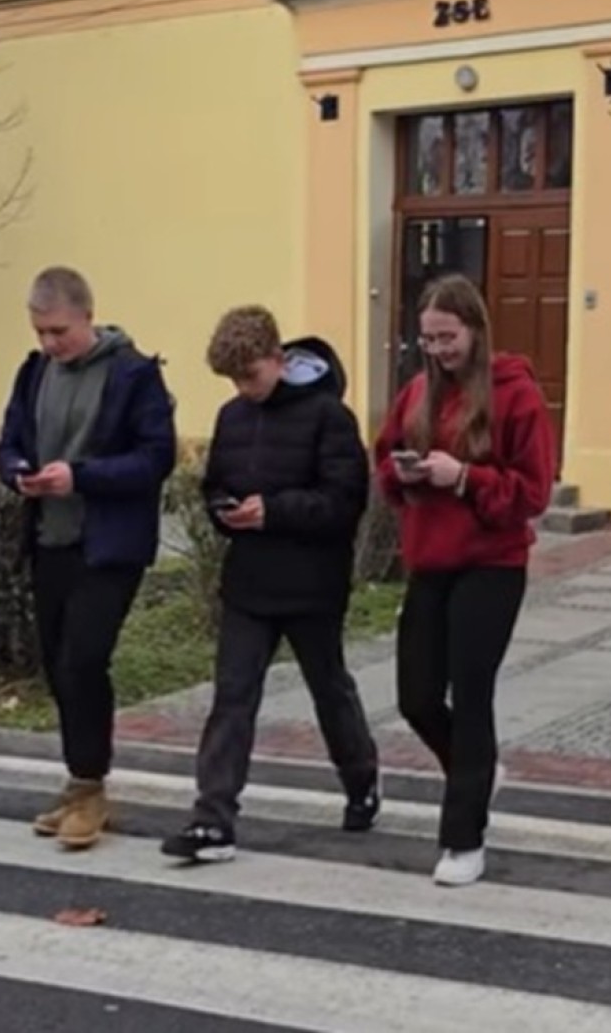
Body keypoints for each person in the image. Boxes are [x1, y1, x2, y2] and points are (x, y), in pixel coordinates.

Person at [161, 306, 380, 863]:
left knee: (329, 689)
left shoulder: (329, 415)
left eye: (251, 376)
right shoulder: (233, 417)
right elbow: (215, 484)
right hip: (249, 582)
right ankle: (213, 818)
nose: (244, 389)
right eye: (234, 381)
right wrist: (223, 510)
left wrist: (275, 512)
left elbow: (344, 500)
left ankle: (361, 780)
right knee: (232, 697)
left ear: (279, 360)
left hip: (312, 583)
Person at [373, 273, 554, 887]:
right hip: (431, 562)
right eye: (427, 338)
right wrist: (404, 472)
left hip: (492, 566)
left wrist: (463, 479)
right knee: (416, 696)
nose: (437, 350)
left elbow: (532, 494)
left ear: (475, 330)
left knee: (472, 695)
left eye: (447, 337)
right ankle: (476, 770)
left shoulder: (517, 396)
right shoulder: (418, 391)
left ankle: (463, 840)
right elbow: (385, 458)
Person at [0, 266, 176, 851]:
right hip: (50, 539)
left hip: (108, 546)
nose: (50, 344)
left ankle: (90, 788)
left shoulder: (132, 374)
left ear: (87, 317)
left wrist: (82, 476)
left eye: (59, 331)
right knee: (57, 664)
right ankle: (79, 784)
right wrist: (17, 472)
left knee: (83, 658)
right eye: (41, 332)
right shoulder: (34, 373)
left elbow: (155, 459)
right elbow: (9, 440)